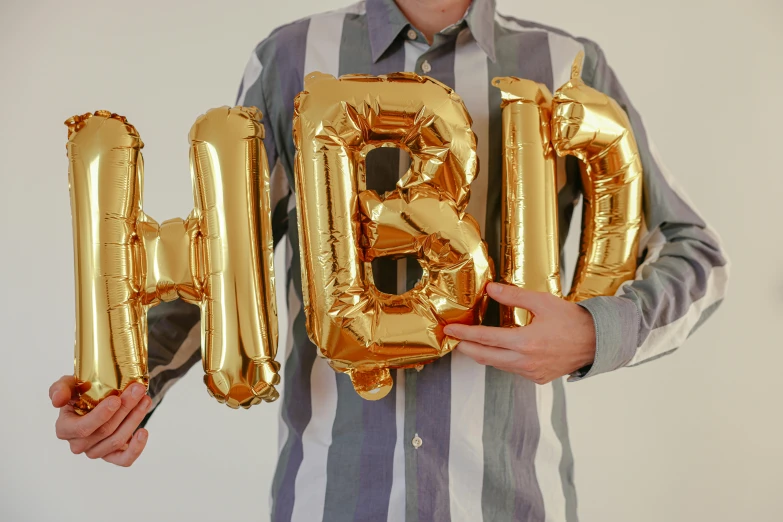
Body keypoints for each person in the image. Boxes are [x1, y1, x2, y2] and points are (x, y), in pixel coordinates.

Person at [49, 0, 729, 520]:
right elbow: (229, 259)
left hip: (510, 498)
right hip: (334, 497)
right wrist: (125, 394)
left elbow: (694, 254)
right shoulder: (292, 55)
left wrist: (591, 332)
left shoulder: (568, 64)